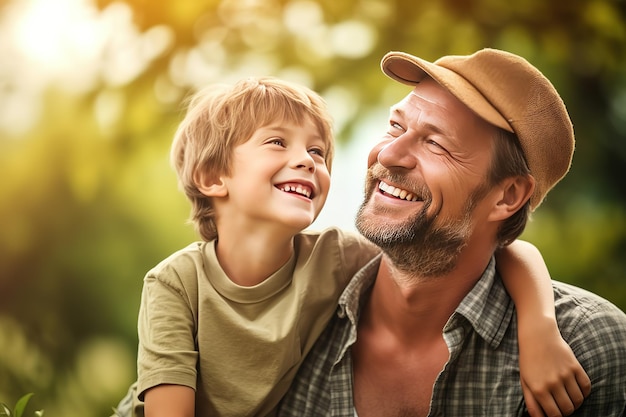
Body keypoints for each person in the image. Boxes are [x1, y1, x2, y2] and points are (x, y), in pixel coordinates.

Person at [113, 76, 591, 417]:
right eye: (277, 142)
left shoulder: (332, 258)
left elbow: (502, 252)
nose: (305, 161)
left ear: (508, 197)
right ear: (212, 177)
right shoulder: (175, 284)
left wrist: (539, 327)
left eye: (317, 151)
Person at [277, 48, 626, 417]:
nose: (389, 154)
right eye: (396, 126)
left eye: (435, 143)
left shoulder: (589, 350)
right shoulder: (297, 318)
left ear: (507, 196)